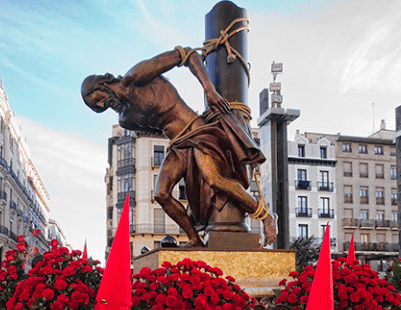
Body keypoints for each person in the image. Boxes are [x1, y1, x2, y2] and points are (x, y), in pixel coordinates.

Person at [82, 46, 277, 247]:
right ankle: (194, 239)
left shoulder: (137, 76)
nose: (102, 105)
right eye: (96, 106)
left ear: (103, 84)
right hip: (177, 145)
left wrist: (209, 90)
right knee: (161, 194)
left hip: (197, 131)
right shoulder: (125, 119)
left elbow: (187, 54)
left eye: (98, 99)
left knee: (215, 179)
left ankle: (266, 217)